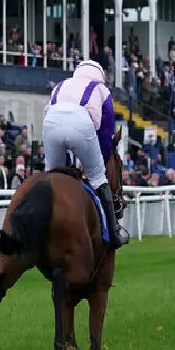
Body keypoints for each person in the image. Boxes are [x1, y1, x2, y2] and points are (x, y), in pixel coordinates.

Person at [42, 60, 128, 248]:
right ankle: (114, 233)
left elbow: (49, 117)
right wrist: (95, 163)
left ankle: (43, 231)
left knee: (52, 177)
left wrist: (66, 166)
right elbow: (106, 134)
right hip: (80, 122)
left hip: (51, 122)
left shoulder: (61, 85)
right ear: (100, 76)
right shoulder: (102, 90)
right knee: (98, 178)